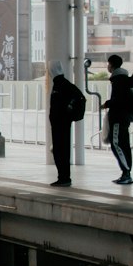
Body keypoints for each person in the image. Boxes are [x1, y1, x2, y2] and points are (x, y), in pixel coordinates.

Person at [47, 59, 81, 187]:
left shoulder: (61, 85)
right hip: (61, 123)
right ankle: (63, 176)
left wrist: (66, 114)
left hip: (61, 124)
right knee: (60, 150)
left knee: (61, 150)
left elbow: (76, 98)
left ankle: (64, 177)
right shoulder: (61, 84)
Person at [101, 53, 133, 185]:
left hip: (118, 118)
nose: (107, 67)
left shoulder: (118, 80)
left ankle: (126, 173)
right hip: (124, 117)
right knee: (124, 145)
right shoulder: (124, 78)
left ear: (111, 65)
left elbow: (119, 100)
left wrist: (107, 104)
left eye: (108, 64)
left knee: (117, 144)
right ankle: (126, 172)